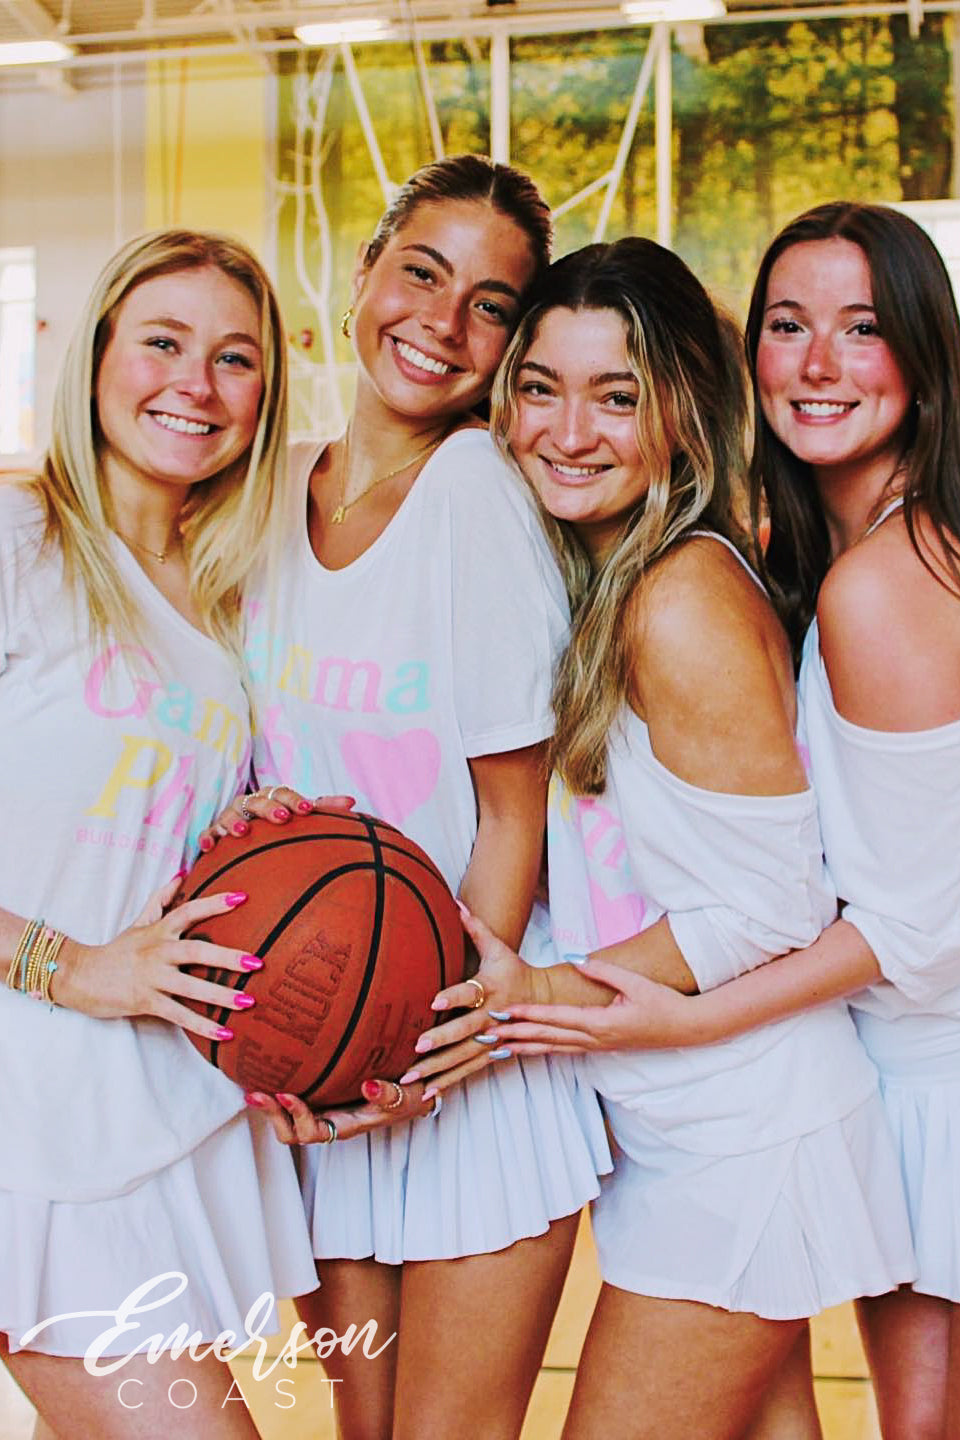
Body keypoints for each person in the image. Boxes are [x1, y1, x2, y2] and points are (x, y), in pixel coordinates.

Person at [461, 203, 960, 1440]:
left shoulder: (732, 592)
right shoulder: (722, 563)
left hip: (775, 1118)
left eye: (617, 397)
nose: (568, 432)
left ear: (681, 408)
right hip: (724, 1111)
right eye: (540, 388)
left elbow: (812, 906)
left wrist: (557, 998)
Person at [209, 155, 610, 1440]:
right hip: (331, 1048)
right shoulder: (272, 489)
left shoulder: (478, 492)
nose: (442, 321)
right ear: (363, 271)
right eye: (422, 273)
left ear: (511, 345)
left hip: (455, 1055)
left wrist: (428, 1042)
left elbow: (516, 813)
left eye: (491, 306)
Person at [0, 229, 321, 1439]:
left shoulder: (228, 588)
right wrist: (72, 966)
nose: (198, 383)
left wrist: (240, 831)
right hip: (30, 1116)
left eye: (235, 358)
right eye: (164, 343)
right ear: (93, 360)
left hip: (155, 1101)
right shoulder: (19, 540)